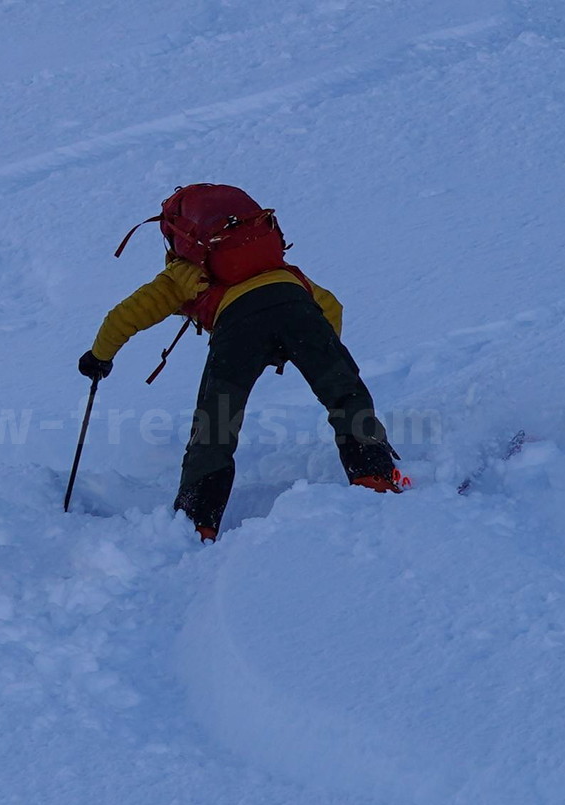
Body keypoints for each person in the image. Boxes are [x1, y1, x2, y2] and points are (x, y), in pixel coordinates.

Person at [78, 185, 400, 542]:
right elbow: (332, 308)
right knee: (344, 393)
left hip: (237, 330)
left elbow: (124, 316)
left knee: (215, 426)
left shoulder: (180, 277)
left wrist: (98, 358)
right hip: (298, 309)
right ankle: (375, 476)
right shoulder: (285, 271)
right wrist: (313, 353)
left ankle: (196, 523)